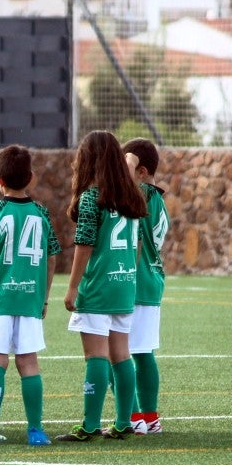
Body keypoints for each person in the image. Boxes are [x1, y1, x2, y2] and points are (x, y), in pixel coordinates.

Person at [55, 130, 148, 442]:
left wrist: (72, 288)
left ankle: (90, 425)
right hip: (124, 284)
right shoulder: (132, 196)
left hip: (97, 287)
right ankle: (124, 423)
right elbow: (135, 246)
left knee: (96, 356)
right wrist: (127, 275)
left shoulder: (92, 197)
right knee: (121, 354)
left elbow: (84, 244)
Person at [0, 146, 60, 446]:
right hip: (30, 298)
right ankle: (36, 431)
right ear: (31, 178)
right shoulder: (41, 213)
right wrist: (43, 297)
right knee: (29, 363)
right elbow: (51, 257)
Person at [123, 138, 170, 435]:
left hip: (134, 282)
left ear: (140, 171)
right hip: (151, 281)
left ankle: (131, 415)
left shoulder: (140, 193)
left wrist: (126, 160)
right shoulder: (157, 197)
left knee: (117, 354)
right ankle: (148, 417)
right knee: (142, 353)